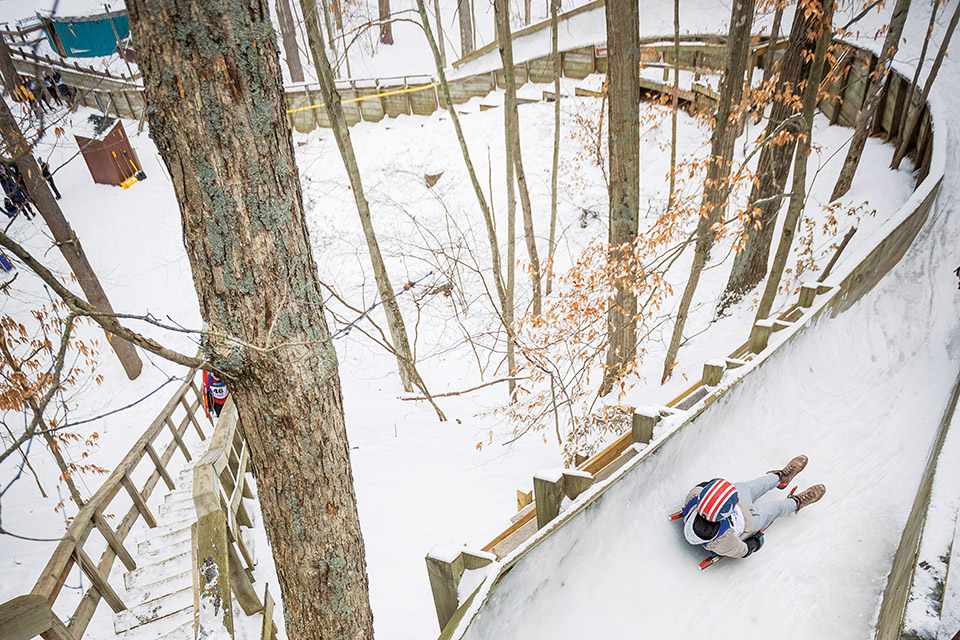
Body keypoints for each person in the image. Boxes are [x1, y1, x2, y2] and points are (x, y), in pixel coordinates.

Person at [680, 455, 825, 559]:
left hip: (732, 508)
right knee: (774, 508)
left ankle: (780, 478)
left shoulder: (694, 496)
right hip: (749, 522)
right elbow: (742, 550)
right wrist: (754, 543)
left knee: (746, 486)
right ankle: (796, 502)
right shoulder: (723, 540)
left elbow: (707, 485)